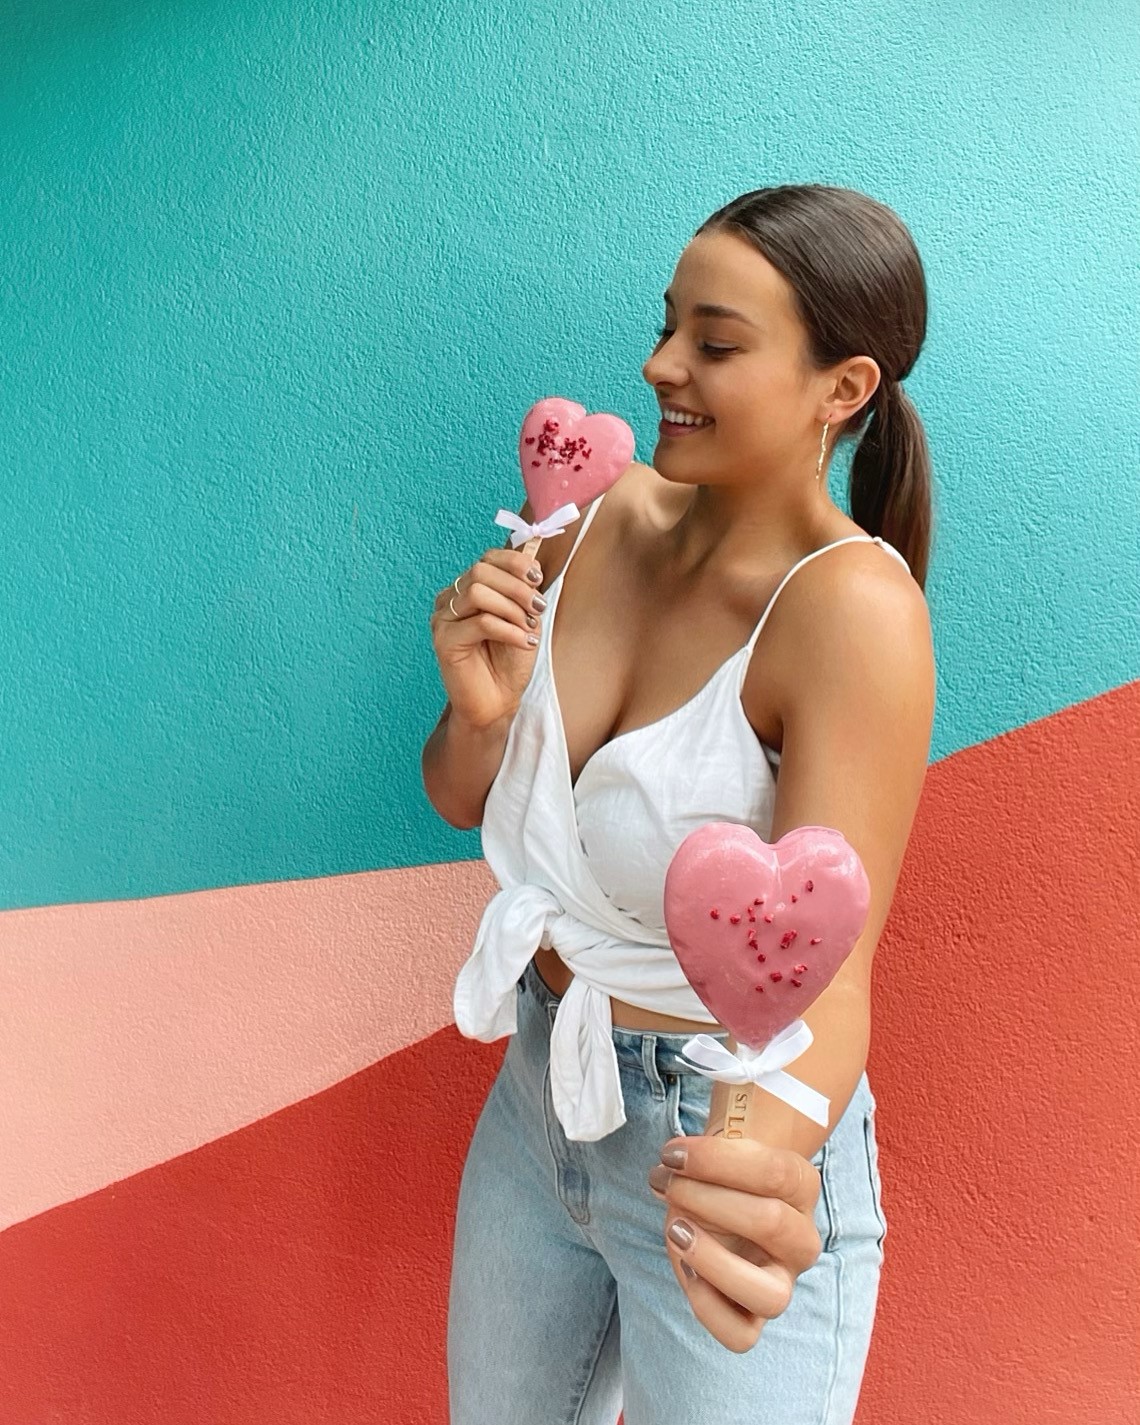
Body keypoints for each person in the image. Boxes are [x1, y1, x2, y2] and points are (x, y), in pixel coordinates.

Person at [422, 183, 936, 1425]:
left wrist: (757, 1160)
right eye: (666, 327)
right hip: (541, 1090)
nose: (660, 367)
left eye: (715, 343)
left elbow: (837, 977)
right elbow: (459, 801)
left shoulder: (849, 613)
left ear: (843, 388)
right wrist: (478, 709)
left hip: (715, 1130)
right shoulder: (587, 521)